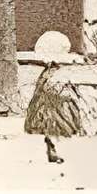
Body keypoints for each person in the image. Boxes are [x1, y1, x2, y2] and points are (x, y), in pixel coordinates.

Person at [23, 29, 86, 164]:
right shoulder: (54, 71)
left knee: (55, 129)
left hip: (54, 104)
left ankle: (52, 149)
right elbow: (47, 88)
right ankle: (53, 150)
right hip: (52, 105)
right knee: (55, 128)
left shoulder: (52, 71)